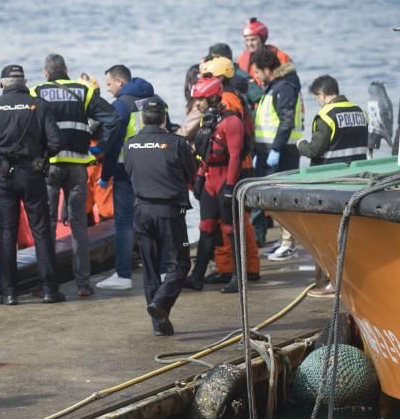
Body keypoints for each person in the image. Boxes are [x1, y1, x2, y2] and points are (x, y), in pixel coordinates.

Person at [0, 64, 65, 305]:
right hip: (32, 174)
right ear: (24, 83)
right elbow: (56, 142)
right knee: (41, 232)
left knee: (8, 233)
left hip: (3, 176)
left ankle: (9, 293)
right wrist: (40, 156)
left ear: (2, 84)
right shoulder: (39, 105)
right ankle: (49, 290)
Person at [31, 54, 119, 297]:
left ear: (46, 72)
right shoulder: (84, 91)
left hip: (50, 166)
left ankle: (47, 284)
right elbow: (113, 119)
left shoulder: (36, 91)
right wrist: (100, 147)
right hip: (79, 166)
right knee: (79, 226)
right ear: (66, 70)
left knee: (45, 226)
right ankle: (83, 284)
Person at [122, 96, 197, 336]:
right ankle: (161, 304)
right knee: (181, 263)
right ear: (164, 117)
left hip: (141, 211)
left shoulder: (130, 144)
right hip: (169, 211)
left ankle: (159, 324)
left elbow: (130, 171)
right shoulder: (176, 143)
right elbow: (191, 172)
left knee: (150, 267)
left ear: (144, 118)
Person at [185, 77, 261, 293]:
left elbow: (236, 156)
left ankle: (238, 277)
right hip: (210, 180)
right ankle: (196, 276)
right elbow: (206, 153)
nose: (197, 103)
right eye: (196, 99)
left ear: (212, 97)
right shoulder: (208, 120)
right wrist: (199, 176)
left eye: (200, 99)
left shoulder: (231, 122)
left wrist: (230, 187)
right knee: (206, 227)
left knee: (231, 229)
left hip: (226, 180)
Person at [299, 75, 368, 296]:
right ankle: (350, 280)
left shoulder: (326, 116)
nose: (317, 103)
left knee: (329, 237)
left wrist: (300, 144)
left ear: (322, 94)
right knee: (350, 235)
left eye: (316, 98)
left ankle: (332, 283)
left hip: (330, 182)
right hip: (356, 180)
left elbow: (314, 150)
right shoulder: (359, 112)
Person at [96, 64, 157, 291]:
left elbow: (112, 146)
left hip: (126, 170)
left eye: (109, 84)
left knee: (124, 223)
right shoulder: (154, 99)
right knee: (152, 219)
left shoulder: (120, 106)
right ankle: (160, 268)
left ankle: (123, 275)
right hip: (153, 168)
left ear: (120, 82)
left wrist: (105, 175)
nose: (109, 89)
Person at [249, 47, 303, 262]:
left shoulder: (284, 88)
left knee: (284, 199)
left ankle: (289, 243)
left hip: (283, 152)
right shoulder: (273, 87)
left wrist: (276, 149)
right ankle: (282, 242)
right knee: (274, 201)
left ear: (267, 69)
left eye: (258, 72)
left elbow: (286, 121)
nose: (257, 76)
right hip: (268, 152)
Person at [236, 17, 293, 87]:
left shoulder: (281, 57)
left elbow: (291, 83)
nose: (249, 44)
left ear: (262, 39)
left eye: (253, 40)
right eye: (247, 40)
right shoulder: (241, 59)